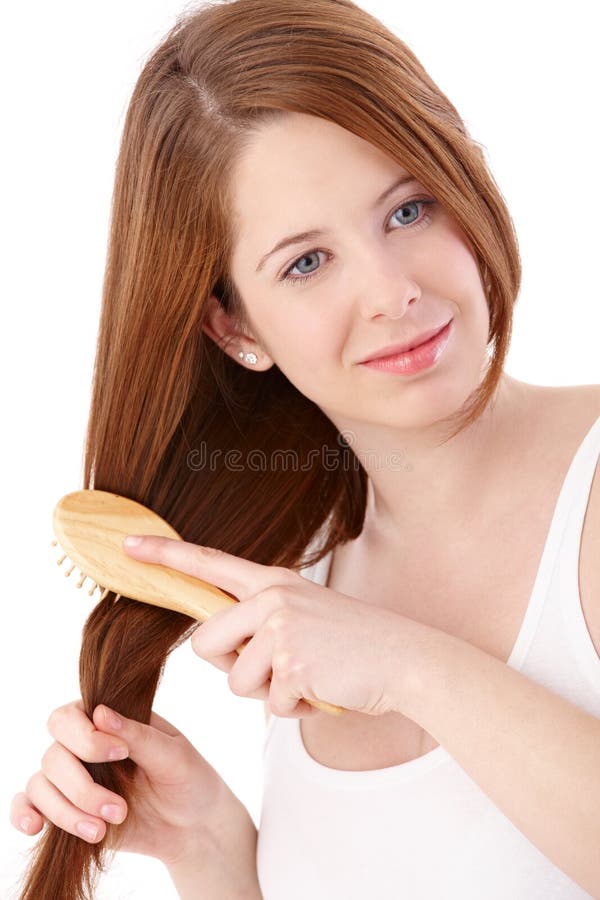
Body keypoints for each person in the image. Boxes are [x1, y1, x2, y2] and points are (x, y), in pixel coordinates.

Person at [9, 0, 600, 897]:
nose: (392, 292)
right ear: (234, 327)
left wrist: (411, 666)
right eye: (306, 263)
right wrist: (212, 851)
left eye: (408, 210)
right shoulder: (308, 588)